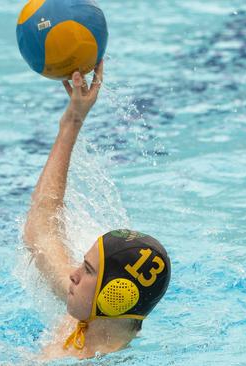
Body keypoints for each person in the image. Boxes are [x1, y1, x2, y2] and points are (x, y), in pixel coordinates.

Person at [23, 61, 171, 359]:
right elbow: (40, 232)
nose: (74, 276)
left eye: (88, 270)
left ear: (115, 296)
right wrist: (72, 120)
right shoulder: (87, 315)